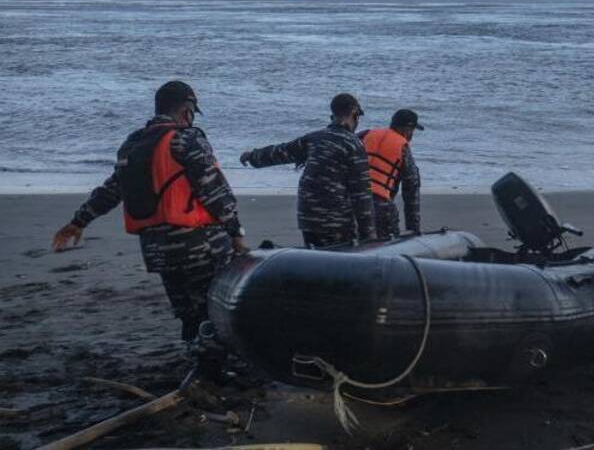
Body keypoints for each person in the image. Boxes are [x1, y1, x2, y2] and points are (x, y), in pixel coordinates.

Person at [51, 81, 248, 351]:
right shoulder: (187, 139)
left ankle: (194, 356)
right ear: (187, 111)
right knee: (213, 308)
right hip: (199, 245)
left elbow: (113, 188)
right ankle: (215, 368)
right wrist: (236, 233)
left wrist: (78, 221)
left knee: (185, 311)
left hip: (156, 248)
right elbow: (214, 191)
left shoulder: (133, 144)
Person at [240, 93, 375, 248]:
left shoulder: (315, 138)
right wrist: (369, 237)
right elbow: (362, 194)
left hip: (308, 218)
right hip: (336, 221)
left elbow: (281, 152)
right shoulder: (354, 145)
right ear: (354, 114)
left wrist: (252, 156)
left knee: (314, 259)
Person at [357, 109, 422, 239]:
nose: (412, 135)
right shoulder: (402, 147)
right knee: (387, 245)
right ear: (407, 130)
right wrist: (413, 230)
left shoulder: (366, 134)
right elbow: (411, 190)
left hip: (353, 200)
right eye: (412, 131)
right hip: (380, 206)